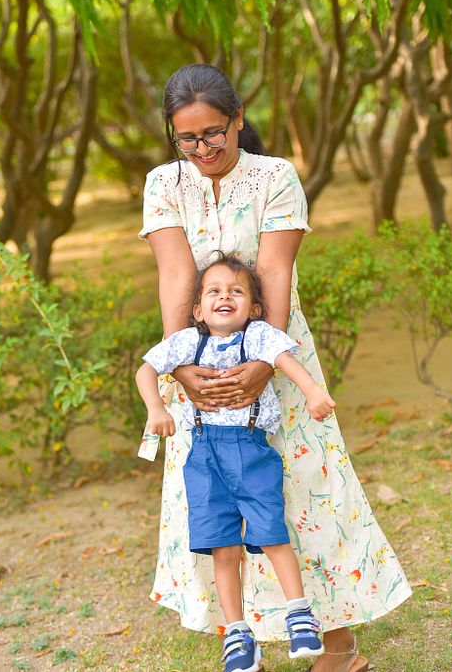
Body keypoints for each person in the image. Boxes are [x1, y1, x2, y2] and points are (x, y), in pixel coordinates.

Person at [137, 63, 411, 672]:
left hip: (279, 350)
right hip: (197, 358)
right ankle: (240, 636)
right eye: (187, 138)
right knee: (216, 499)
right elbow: (176, 275)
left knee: (303, 487)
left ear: (238, 120)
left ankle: (336, 644)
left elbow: (274, 271)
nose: (203, 149)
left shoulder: (275, 177)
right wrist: (181, 367)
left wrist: (265, 360)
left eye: (214, 133)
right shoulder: (163, 183)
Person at [137, 253, 338, 670]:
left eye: (236, 291)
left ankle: (300, 616)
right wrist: (156, 408)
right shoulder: (187, 342)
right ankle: (237, 634)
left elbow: (287, 362)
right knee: (222, 546)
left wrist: (313, 392)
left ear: (255, 308)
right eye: (214, 291)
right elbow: (145, 371)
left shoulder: (259, 336)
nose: (224, 297)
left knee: (271, 531)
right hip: (204, 457)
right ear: (198, 310)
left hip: (251, 452)